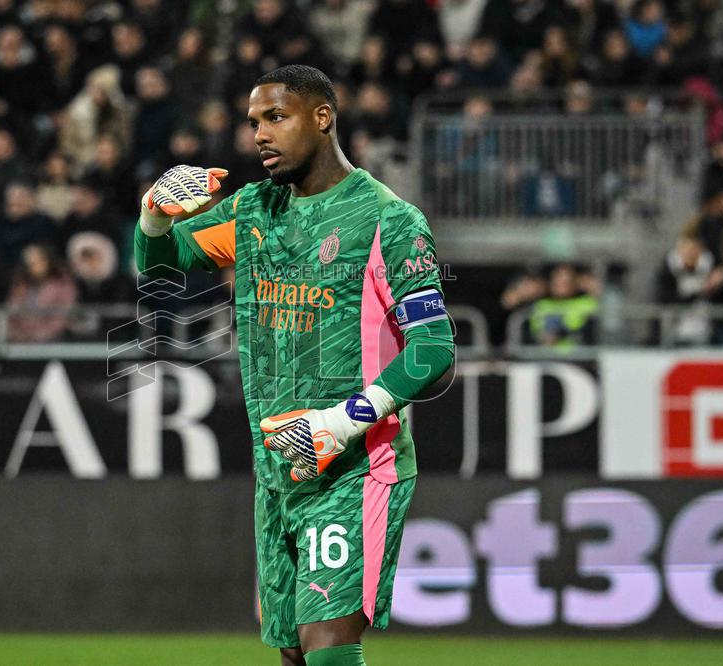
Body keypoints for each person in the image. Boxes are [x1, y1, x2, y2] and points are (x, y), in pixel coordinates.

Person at [135, 65, 455, 666]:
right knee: (293, 653)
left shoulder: (390, 220)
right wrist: (155, 215)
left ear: (322, 117)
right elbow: (160, 274)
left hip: (355, 464)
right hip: (279, 465)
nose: (259, 134)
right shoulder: (254, 209)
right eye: (254, 121)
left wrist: (344, 421)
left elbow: (434, 352)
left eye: (275, 118)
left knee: (327, 645)